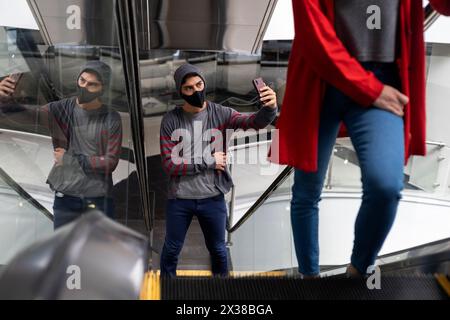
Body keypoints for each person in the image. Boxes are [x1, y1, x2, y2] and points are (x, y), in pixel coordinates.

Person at [271, 0, 450, 278]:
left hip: (383, 81)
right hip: (321, 76)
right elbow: (311, 31)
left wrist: (374, 89)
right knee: (306, 191)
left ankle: (358, 268)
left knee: (386, 186)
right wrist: (370, 90)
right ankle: (309, 278)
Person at [159, 63, 277, 277]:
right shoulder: (170, 120)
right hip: (180, 199)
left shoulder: (221, 113)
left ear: (204, 83)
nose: (196, 91)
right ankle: (167, 288)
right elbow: (169, 165)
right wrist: (208, 160)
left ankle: (221, 291)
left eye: (199, 84)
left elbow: (254, 123)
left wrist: (269, 108)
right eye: (188, 88)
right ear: (180, 91)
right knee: (172, 249)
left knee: (218, 250)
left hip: (213, 197)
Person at [45, 60, 122, 229]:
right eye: (82, 81)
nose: (84, 87)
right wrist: (4, 96)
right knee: (64, 249)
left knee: (99, 250)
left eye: (92, 85)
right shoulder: (60, 108)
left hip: (98, 197)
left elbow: (110, 162)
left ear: (102, 88)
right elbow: (23, 113)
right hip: (66, 195)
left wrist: (70, 160)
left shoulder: (111, 117)